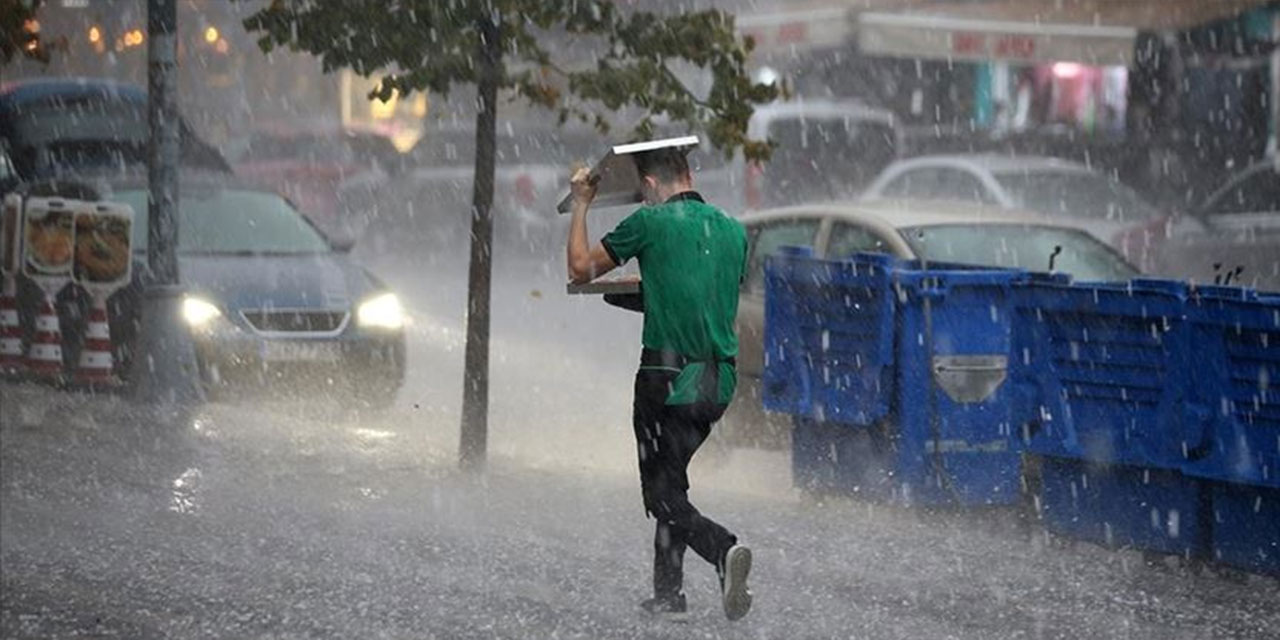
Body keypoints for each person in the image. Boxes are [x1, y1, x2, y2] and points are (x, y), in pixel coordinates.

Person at [565, 146, 753, 622]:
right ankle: (668, 595)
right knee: (672, 481)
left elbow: (579, 268)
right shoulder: (732, 230)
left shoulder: (649, 224)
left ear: (648, 186)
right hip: (717, 383)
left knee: (661, 495)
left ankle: (721, 548)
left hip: (666, 380)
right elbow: (700, 296)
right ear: (689, 173)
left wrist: (582, 202)